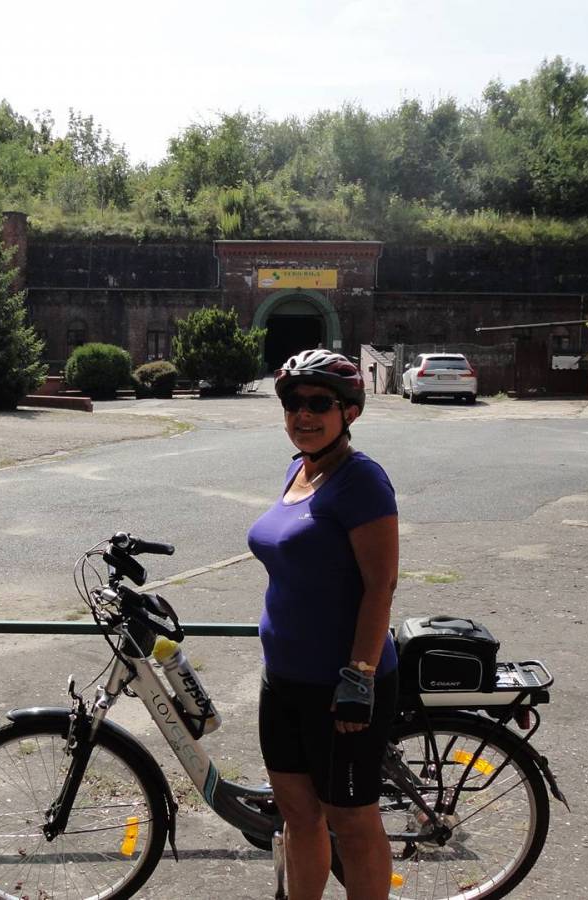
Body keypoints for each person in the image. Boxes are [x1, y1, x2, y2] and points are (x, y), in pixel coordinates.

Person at [247, 349, 400, 899]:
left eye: (318, 404)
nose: (303, 415)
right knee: (297, 813)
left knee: (352, 823)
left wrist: (359, 677)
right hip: (283, 679)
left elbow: (381, 586)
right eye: (293, 403)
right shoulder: (299, 469)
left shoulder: (362, 481)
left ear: (349, 412)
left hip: (342, 688)